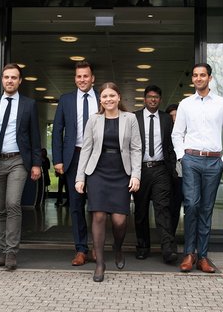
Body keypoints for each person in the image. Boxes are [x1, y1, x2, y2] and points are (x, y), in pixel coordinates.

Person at [171, 63, 223, 273]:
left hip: (214, 162)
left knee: (206, 209)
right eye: (195, 75)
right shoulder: (185, 104)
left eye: (203, 75)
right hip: (191, 159)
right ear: (192, 79)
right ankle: (189, 254)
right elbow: (176, 134)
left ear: (210, 78)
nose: (199, 78)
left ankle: (203, 256)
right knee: (191, 205)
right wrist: (182, 157)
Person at [75, 82, 141, 282]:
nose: (108, 99)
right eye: (104, 96)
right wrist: (80, 177)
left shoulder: (130, 119)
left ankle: (118, 248)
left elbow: (136, 148)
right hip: (98, 172)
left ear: (119, 97)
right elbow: (86, 148)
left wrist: (136, 175)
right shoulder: (94, 120)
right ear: (100, 100)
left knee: (120, 220)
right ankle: (100, 263)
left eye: (112, 95)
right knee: (99, 216)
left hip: (122, 172)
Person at [0, 63, 42, 270]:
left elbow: (35, 135)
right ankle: (4, 249)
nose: (10, 80)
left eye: (14, 78)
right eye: (6, 77)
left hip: (18, 160)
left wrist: (36, 164)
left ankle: (12, 253)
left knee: (13, 203)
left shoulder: (29, 104)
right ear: (2, 79)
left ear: (20, 81)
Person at [52, 61, 98, 266]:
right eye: (79, 76)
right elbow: (57, 131)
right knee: (76, 206)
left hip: (99, 158)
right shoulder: (66, 100)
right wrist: (58, 159)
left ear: (92, 78)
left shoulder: (103, 97)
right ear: (75, 79)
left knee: (98, 206)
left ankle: (97, 248)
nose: (82, 80)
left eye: (85, 76)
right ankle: (81, 249)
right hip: (74, 157)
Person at [133, 85, 178, 263]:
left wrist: (173, 167)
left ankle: (168, 249)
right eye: (150, 97)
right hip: (140, 169)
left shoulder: (167, 119)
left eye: (156, 97)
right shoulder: (134, 118)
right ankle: (143, 246)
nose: (153, 100)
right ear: (144, 99)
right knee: (141, 211)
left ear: (160, 100)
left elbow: (171, 145)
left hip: (161, 169)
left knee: (163, 209)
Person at [165, 103, 183, 236]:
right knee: (171, 208)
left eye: (177, 115)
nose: (174, 118)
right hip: (169, 175)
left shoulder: (188, 132)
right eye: (171, 116)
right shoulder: (165, 133)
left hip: (185, 175)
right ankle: (169, 237)